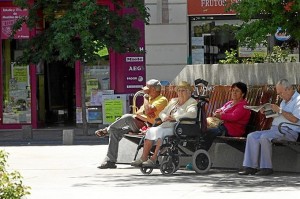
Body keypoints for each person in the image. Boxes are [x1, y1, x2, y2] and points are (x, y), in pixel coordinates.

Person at [96, 79, 168, 169]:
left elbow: (149, 110)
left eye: (148, 88)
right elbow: (141, 113)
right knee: (114, 131)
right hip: (136, 123)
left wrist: (145, 97)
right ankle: (110, 160)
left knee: (127, 117)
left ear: (153, 89)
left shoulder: (162, 99)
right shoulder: (150, 98)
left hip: (147, 125)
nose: (145, 90)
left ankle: (107, 130)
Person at [238, 79, 300, 176]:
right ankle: (250, 167)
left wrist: (280, 110)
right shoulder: (285, 101)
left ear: (288, 89)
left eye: (280, 93)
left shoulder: (298, 100)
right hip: (276, 129)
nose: (279, 96)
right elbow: (279, 114)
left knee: (265, 137)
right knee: (252, 136)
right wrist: (265, 111)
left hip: (289, 131)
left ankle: (266, 167)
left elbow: (295, 120)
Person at [131, 81, 198, 167]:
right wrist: (164, 117)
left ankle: (154, 158)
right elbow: (162, 112)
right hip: (167, 125)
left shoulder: (192, 102)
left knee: (161, 133)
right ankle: (143, 157)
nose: (180, 93)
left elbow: (192, 114)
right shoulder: (174, 101)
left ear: (189, 92)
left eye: (183, 90)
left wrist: (175, 118)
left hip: (181, 127)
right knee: (151, 131)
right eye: (179, 90)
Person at [203, 82, 251, 150]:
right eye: (233, 90)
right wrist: (219, 113)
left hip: (232, 130)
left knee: (209, 132)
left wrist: (221, 116)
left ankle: (202, 152)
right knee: (203, 129)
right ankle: (200, 152)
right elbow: (219, 110)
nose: (234, 92)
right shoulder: (230, 103)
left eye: (237, 91)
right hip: (223, 127)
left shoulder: (243, 106)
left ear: (242, 94)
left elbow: (234, 116)